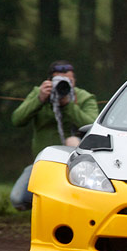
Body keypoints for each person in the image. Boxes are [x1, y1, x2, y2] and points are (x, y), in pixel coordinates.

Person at [10, 60, 99, 210]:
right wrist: (39, 100)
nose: (64, 85)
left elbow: (92, 125)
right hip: (43, 163)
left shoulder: (84, 98)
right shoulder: (39, 93)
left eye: (68, 81)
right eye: (59, 81)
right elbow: (17, 120)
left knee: (77, 203)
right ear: (49, 81)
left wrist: (68, 105)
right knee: (18, 199)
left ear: (74, 81)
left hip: (75, 166)